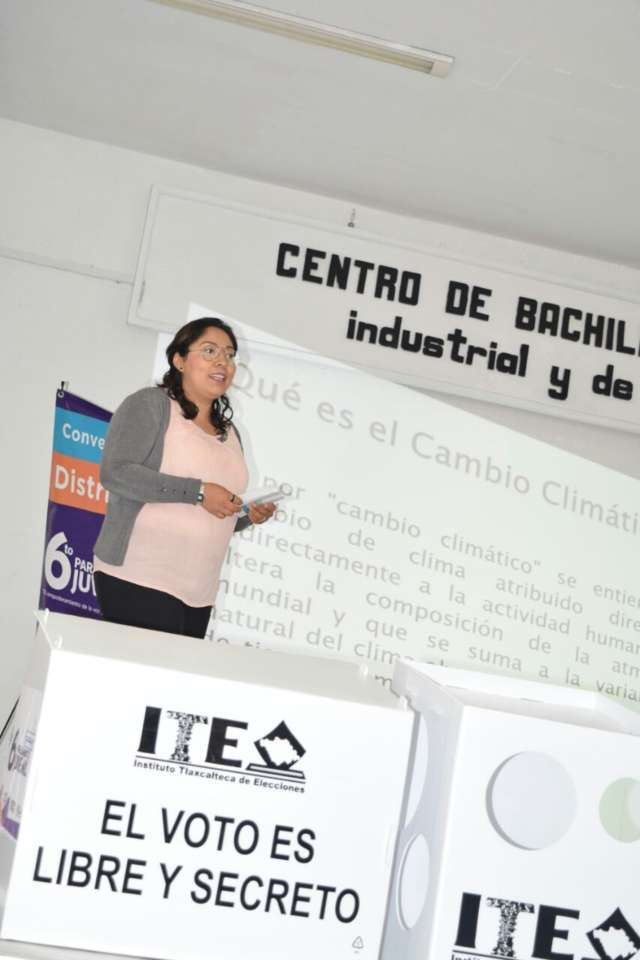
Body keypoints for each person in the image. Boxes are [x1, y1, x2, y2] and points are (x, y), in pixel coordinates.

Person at [93, 316, 275, 638]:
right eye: (210, 350)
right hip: (140, 576)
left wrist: (247, 513)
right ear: (179, 360)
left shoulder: (231, 433)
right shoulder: (151, 404)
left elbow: (213, 511)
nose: (223, 362)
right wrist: (199, 491)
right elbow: (116, 472)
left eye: (230, 355)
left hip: (198, 593)